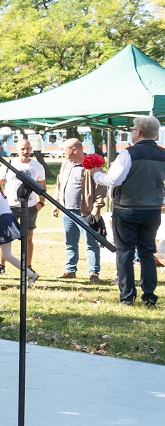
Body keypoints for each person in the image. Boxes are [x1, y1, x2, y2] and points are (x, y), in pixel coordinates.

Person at [93, 116, 164, 306]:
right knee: (147, 253)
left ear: (138, 132)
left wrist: (96, 174)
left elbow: (113, 179)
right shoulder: (162, 154)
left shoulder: (129, 153)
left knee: (125, 252)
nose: (132, 132)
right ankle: (149, 296)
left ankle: (127, 296)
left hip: (127, 208)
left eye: (133, 129)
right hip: (152, 210)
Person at [54, 138, 105, 282]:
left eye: (65, 149)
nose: (63, 152)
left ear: (75, 149)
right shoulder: (66, 164)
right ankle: (70, 270)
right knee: (70, 242)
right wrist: (56, 203)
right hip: (67, 211)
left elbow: (100, 188)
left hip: (85, 212)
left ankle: (94, 273)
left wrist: (97, 207)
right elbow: (59, 184)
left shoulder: (92, 165)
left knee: (91, 243)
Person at [0, 136, 46, 274]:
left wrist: (41, 203)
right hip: (9, 207)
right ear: (17, 150)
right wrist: (1, 201)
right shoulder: (8, 164)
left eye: (28, 148)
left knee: (28, 238)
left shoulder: (37, 166)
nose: (25, 151)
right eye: (22, 149)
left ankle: (28, 266)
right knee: (5, 237)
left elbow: (42, 186)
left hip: (30, 207)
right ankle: (1, 266)